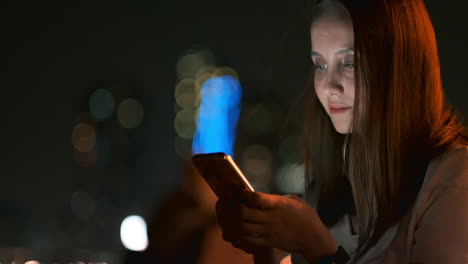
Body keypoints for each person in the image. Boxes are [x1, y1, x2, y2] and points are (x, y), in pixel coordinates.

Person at [215, 0, 468, 263]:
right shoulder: (325, 190)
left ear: (401, 65)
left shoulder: (452, 177)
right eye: (320, 65)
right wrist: (267, 246)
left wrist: (319, 249)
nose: (329, 87)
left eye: (348, 63)